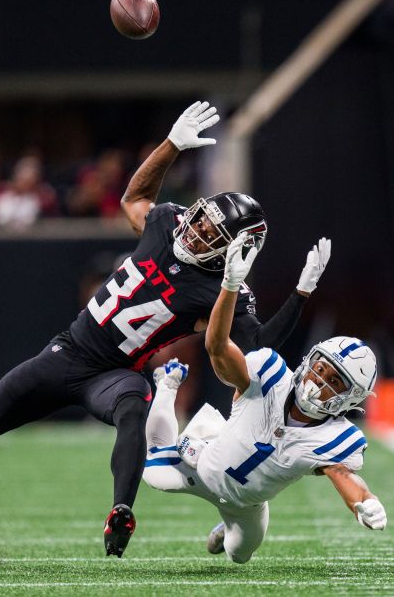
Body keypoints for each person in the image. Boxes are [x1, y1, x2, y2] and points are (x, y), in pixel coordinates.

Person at [0, 101, 328, 559]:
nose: (196, 232)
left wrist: (300, 293)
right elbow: (134, 198)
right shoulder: (167, 224)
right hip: (67, 351)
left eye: (212, 234)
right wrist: (170, 146)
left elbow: (258, 348)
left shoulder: (221, 287)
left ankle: (121, 510)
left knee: (133, 409)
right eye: (201, 221)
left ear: (235, 250)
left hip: (114, 374)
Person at [143, 234, 387, 564]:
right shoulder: (269, 376)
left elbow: (343, 476)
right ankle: (167, 386)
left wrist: (365, 501)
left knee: (238, 554)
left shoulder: (335, 436)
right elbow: (217, 347)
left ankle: (225, 526)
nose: (319, 382)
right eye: (320, 369)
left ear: (349, 398)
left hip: (247, 504)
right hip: (201, 467)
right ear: (309, 361)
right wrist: (230, 284)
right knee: (153, 473)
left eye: (334, 382)